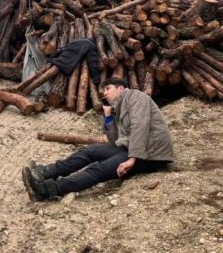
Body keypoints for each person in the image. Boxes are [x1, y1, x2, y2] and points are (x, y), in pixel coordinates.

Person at [22, 77, 174, 201]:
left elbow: (140, 127)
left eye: (108, 89)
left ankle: (47, 190)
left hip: (151, 154)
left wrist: (132, 159)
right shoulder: (119, 107)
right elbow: (115, 140)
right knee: (89, 151)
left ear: (120, 88)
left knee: (98, 169)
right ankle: (45, 173)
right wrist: (108, 117)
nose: (105, 94)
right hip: (133, 148)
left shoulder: (137, 98)